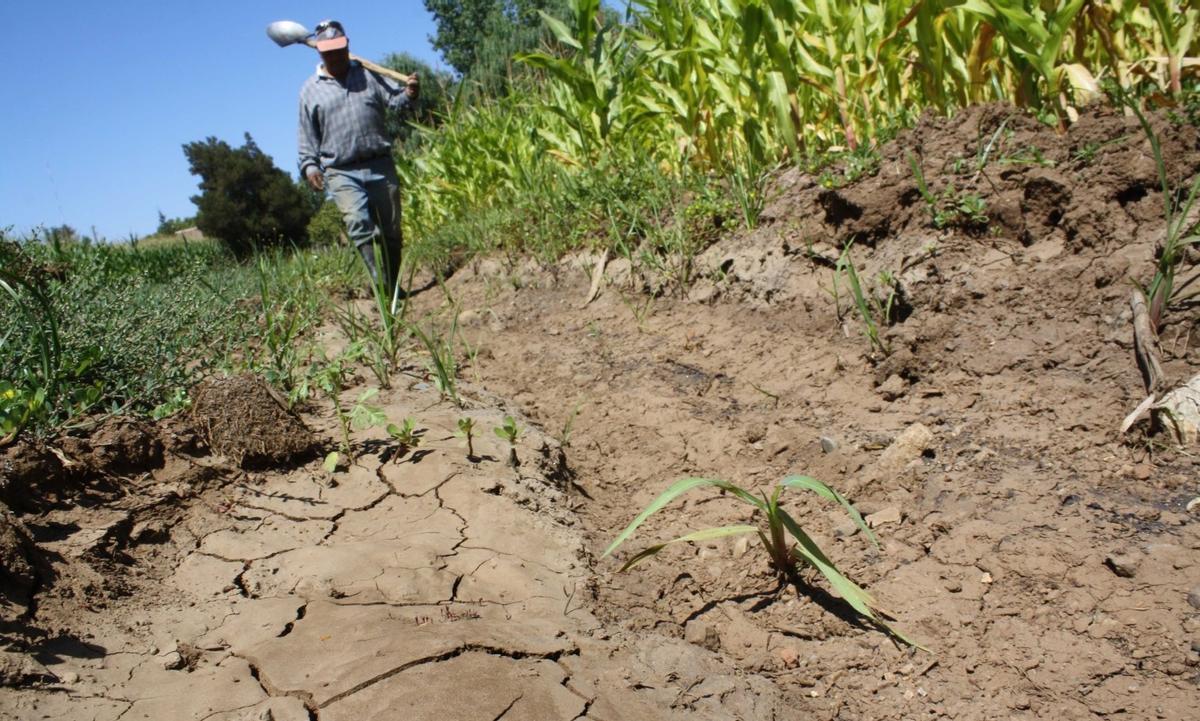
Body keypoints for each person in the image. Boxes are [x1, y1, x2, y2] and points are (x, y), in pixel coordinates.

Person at [297, 20, 419, 300]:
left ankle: (393, 283)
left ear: (347, 46)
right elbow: (306, 134)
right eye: (329, 51)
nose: (335, 56)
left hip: (380, 164)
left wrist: (411, 93)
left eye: (339, 49)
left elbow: (397, 102)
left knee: (391, 231)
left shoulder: (369, 77)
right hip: (341, 170)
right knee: (359, 224)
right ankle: (381, 286)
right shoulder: (310, 90)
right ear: (320, 53)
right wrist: (310, 165)